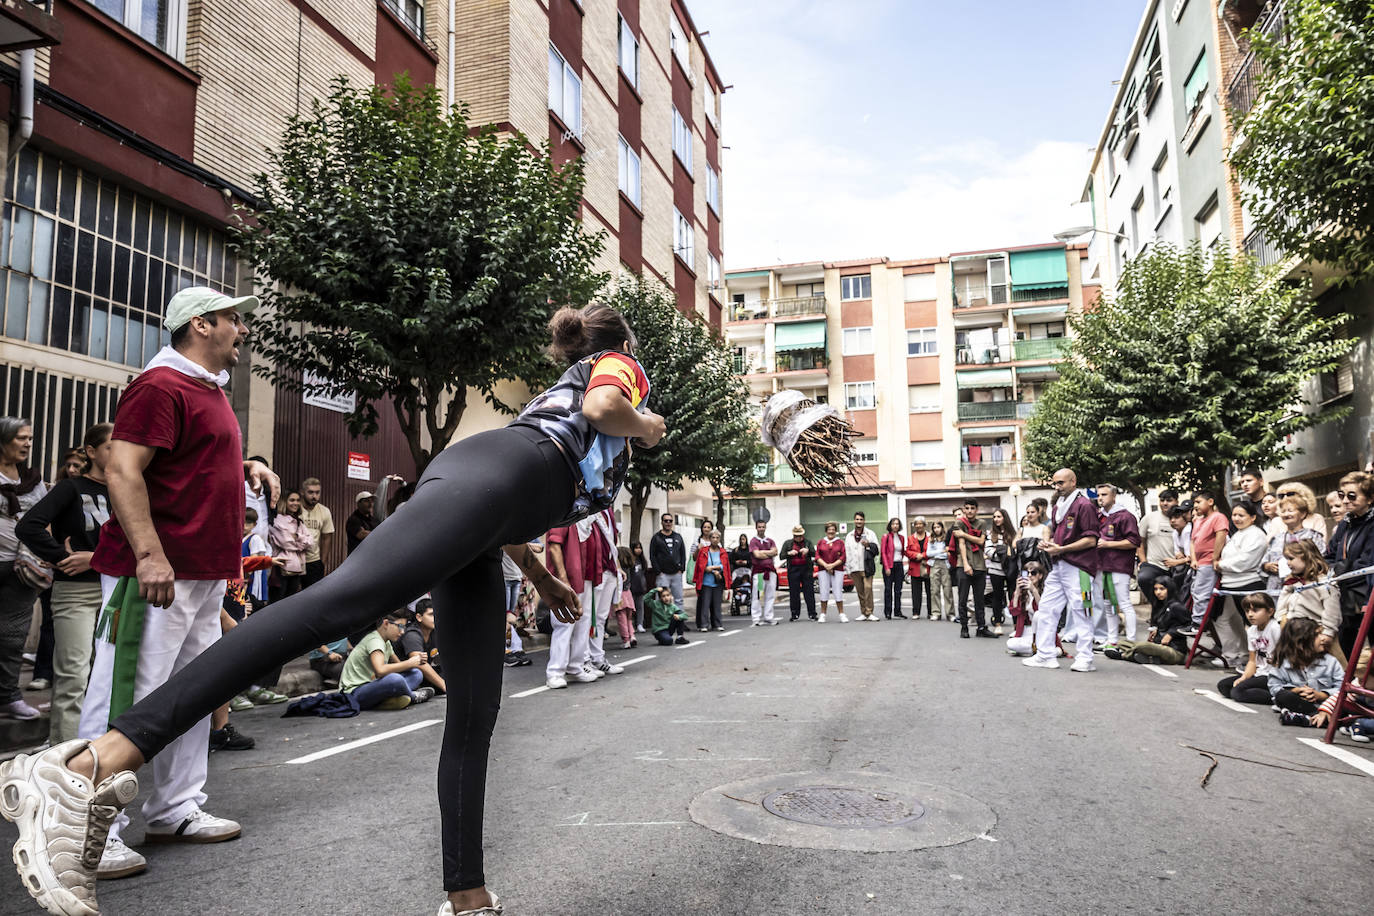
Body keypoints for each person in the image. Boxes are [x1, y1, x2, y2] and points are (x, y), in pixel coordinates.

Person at [0, 300, 659, 916]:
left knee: (474, 712)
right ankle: (88, 765)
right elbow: (602, 408)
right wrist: (647, 425)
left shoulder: (563, 399)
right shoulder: (620, 370)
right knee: (337, 605)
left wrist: (541, 579)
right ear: (625, 345)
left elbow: (510, 500)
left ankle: (468, 899)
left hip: (491, 512)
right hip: (495, 479)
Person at [15, 423, 112, 742]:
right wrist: (60, 555)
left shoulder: (127, 488)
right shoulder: (71, 488)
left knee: (107, 675)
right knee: (73, 675)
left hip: (117, 592)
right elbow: (28, 527)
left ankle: (100, 748)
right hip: (76, 593)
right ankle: (63, 753)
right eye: (111, 446)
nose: (119, 452)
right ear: (92, 452)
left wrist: (95, 558)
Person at [1024, 468, 1100, 672]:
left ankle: (1085, 658)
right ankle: (1045, 654)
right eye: (1055, 483)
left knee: (1082, 611)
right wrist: (1048, 544)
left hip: (1080, 567)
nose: (1057, 487)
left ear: (1073, 482)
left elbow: (1092, 539)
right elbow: (1057, 533)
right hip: (1058, 565)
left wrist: (1062, 548)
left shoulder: (1085, 505)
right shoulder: (1058, 506)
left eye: (1061, 483)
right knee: (1047, 609)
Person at [0, 417, 46, 722]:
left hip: (21, 569)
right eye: (21, 438)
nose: (27, 444)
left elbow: (45, 516)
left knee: (13, 636)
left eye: (29, 438)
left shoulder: (32, 480)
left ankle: (8, 696)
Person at [546, 507, 623, 687]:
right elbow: (554, 546)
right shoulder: (565, 513)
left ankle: (576, 666)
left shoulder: (588, 517)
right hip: (569, 579)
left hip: (586, 578)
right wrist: (563, 580)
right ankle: (555, 672)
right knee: (564, 624)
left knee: (584, 623)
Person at [1211, 500, 1270, 669]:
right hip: (1229, 584)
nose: (1236, 518)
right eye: (1234, 515)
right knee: (1223, 618)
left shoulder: (1256, 535)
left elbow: (1246, 561)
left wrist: (1221, 564)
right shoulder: (1238, 534)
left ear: (1252, 517)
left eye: (1241, 515)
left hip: (1247, 584)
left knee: (1253, 623)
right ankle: (1235, 654)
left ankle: (1259, 661)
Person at [1323, 471, 1374, 660]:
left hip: (1367, 593)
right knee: (1347, 645)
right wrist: (1331, 568)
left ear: (1370, 498)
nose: (1345, 501)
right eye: (1342, 495)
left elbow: (1367, 562)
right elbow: (1329, 554)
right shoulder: (1346, 522)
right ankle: (1351, 686)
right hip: (1344, 594)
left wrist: (1337, 569)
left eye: (1352, 496)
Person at [340, 612, 435, 710]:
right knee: (395, 679)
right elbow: (380, 671)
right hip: (355, 693)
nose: (402, 632)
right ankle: (413, 697)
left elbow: (399, 666)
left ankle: (384, 701)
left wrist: (416, 661)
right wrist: (410, 662)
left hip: (374, 686)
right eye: (400, 626)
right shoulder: (375, 641)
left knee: (416, 673)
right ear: (386, 623)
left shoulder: (386, 642)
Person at [1277, 540, 1346, 667]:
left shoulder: (1324, 583)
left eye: (1291, 558)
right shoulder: (1292, 582)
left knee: (1329, 666)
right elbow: (1282, 602)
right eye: (1286, 559)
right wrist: (1281, 619)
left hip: (1317, 633)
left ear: (1307, 557)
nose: (1288, 563)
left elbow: (1332, 610)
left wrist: (1328, 632)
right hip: (1294, 632)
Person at [1268, 618, 1345, 728]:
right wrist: (1296, 690)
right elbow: (1274, 687)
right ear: (1301, 643)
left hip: (1327, 705)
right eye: (1317, 635)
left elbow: (1342, 687)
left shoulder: (1331, 661)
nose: (1323, 638)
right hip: (1301, 703)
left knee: (1347, 705)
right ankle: (1320, 719)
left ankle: (1308, 718)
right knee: (1282, 696)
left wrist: (1321, 695)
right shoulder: (1283, 662)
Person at [1102, 577, 1192, 665]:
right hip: (1158, 646)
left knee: (1143, 646)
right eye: (1156, 589)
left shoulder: (1176, 607)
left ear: (1169, 589)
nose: (1158, 592)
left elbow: (1189, 625)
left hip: (1174, 651)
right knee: (1121, 642)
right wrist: (1156, 629)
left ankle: (1124, 655)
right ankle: (1142, 657)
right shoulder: (1160, 606)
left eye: (1162, 589)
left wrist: (1171, 634)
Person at [1093, 484, 1141, 650]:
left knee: (1124, 603)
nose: (1100, 498)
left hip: (1119, 566)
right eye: (1099, 495)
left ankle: (1131, 641)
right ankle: (1112, 640)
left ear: (1114, 496)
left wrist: (1109, 544)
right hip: (1102, 566)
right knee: (1108, 604)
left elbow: (1134, 542)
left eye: (1104, 494)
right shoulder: (1099, 516)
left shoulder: (1125, 516)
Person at [1216, 593, 1282, 704]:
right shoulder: (1252, 631)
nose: (1250, 615)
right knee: (1224, 686)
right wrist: (1244, 677)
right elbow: (1252, 661)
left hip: (1274, 676)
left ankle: (1277, 696)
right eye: (1247, 611)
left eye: (1255, 611)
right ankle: (1267, 691)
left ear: (1270, 612)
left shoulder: (1275, 628)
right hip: (1260, 674)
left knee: (1237, 692)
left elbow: (1285, 657)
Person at [1184, 491, 1229, 634]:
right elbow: (1192, 541)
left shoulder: (1218, 517)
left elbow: (1220, 537)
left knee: (1202, 593)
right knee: (1195, 591)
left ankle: (1198, 624)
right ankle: (1195, 620)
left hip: (1209, 562)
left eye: (1198, 502)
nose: (1195, 505)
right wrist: (1194, 559)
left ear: (1210, 502)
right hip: (1198, 562)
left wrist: (1215, 558)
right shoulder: (1198, 520)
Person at [952, 499, 992, 639]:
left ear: (977, 510)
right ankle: (964, 627)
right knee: (962, 599)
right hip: (964, 565)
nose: (969, 511)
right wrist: (966, 564)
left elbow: (981, 541)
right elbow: (961, 544)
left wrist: (964, 534)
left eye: (972, 508)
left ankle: (981, 627)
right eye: (967, 508)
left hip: (980, 565)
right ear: (964, 509)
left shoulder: (981, 523)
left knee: (979, 599)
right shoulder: (959, 523)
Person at [1137, 489, 1179, 616]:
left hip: (1176, 566)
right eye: (1162, 500)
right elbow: (1140, 541)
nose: (1165, 503)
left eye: (1169, 500)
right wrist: (1143, 561)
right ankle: (1159, 609)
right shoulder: (1149, 518)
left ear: (1177, 501)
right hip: (1154, 564)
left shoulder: (1182, 518)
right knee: (1144, 578)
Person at [269, 490, 313, 602]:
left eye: (298, 500)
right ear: (284, 502)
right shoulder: (277, 520)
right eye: (292, 500)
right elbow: (285, 542)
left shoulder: (299, 522)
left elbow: (310, 541)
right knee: (277, 601)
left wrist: (296, 537)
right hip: (281, 567)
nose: (295, 503)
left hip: (297, 568)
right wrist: (301, 540)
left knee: (290, 601)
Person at [397, 599, 447, 693]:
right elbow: (420, 663)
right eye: (431, 614)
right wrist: (444, 685)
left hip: (429, 675)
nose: (435, 617)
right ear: (419, 617)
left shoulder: (434, 631)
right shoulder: (412, 634)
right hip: (409, 677)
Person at [984, 509, 1017, 636]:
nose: (996, 519)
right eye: (994, 517)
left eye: (999, 516)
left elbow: (1015, 550)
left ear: (1005, 518)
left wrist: (1002, 552)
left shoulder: (1013, 533)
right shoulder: (990, 533)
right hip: (995, 569)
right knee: (997, 596)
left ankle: (1016, 625)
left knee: (1013, 596)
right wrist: (1000, 554)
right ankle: (997, 624)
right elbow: (987, 550)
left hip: (1011, 569)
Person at [298, 477, 335, 588]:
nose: (314, 496)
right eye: (310, 492)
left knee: (311, 595)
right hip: (294, 559)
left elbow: (326, 537)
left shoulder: (324, 511)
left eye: (317, 492)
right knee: (289, 596)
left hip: (313, 561)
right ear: (302, 492)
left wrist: (322, 563)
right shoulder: (294, 507)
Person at [845, 512, 880, 621]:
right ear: (854, 521)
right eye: (857, 519)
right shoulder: (849, 535)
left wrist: (868, 545)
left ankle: (870, 612)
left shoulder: (870, 534)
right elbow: (847, 552)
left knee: (868, 588)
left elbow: (877, 549)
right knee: (860, 591)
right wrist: (848, 569)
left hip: (866, 566)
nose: (859, 521)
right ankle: (863, 612)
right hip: (854, 567)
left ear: (864, 521)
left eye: (861, 519)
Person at [693, 530, 727, 630]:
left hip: (718, 581)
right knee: (705, 604)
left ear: (719, 539)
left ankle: (717, 624)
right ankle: (703, 625)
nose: (715, 540)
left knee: (717, 604)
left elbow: (724, 565)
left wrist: (714, 569)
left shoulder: (723, 551)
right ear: (710, 538)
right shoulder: (704, 551)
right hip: (706, 582)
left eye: (717, 538)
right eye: (713, 537)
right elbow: (701, 565)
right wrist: (713, 570)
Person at [649, 513, 686, 605]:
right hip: (663, 575)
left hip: (676, 573)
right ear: (662, 522)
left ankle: (678, 619)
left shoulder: (678, 536)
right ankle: (662, 619)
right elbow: (652, 555)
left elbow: (683, 553)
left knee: (679, 599)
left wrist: (681, 568)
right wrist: (658, 571)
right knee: (661, 600)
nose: (668, 523)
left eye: (670, 521)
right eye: (666, 521)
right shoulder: (656, 538)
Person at [815, 521, 848, 624]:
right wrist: (826, 565)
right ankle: (823, 614)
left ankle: (842, 614)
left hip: (837, 569)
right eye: (829, 530)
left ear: (836, 531)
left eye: (833, 530)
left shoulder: (840, 542)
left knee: (838, 591)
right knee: (824, 591)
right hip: (823, 570)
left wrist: (832, 565)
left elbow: (843, 556)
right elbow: (817, 556)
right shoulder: (821, 542)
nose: (831, 532)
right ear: (826, 531)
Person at [749, 519, 779, 626]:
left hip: (770, 571)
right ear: (756, 528)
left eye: (763, 527)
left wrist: (763, 552)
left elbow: (775, 552)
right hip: (760, 573)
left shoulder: (770, 540)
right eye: (759, 527)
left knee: (770, 595)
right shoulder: (753, 541)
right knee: (758, 595)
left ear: (765, 527)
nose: (761, 529)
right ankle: (756, 618)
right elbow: (757, 555)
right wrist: (768, 553)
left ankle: (768, 616)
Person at [784, 525, 816, 622]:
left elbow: (815, 553)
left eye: (800, 535)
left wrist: (808, 551)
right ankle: (795, 614)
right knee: (794, 593)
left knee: (809, 592)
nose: (798, 538)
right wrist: (789, 553)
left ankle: (812, 614)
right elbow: (781, 555)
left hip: (806, 569)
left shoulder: (808, 542)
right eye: (796, 536)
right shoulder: (788, 543)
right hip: (793, 570)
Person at [904, 517, 931, 622]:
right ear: (914, 526)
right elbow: (906, 551)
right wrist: (916, 555)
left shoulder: (930, 536)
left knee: (930, 591)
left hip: (928, 567)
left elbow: (933, 549)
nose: (919, 525)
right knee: (916, 592)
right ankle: (916, 612)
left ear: (924, 525)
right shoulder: (910, 538)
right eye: (916, 524)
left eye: (921, 523)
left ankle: (930, 612)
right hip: (915, 568)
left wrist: (923, 555)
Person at [879, 517, 907, 620]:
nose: (895, 526)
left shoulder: (902, 538)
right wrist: (887, 567)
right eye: (893, 524)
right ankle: (888, 612)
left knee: (898, 590)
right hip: (889, 565)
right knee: (888, 590)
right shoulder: (885, 537)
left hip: (899, 565)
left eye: (897, 524)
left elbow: (902, 551)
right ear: (890, 525)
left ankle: (898, 611)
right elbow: (883, 553)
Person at [926, 520, 953, 621]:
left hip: (945, 564)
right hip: (934, 564)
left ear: (942, 527)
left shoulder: (947, 538)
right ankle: (936, 612)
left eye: (938, 527)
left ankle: (950, 613)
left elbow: (948, 553)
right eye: (935, 527)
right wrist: (940, 551)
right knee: (934, 590)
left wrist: (938, 553)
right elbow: (928, 553)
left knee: (947, 589)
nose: (937, 529)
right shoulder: (931, 539)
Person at [627, 541, 651, 631]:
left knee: (640, 606)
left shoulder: (642, 560)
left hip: (640, 587)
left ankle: (640, 624)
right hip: (632, 587)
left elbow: (643, 573)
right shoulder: (629, 561)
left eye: (640, 548)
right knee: (631, 608)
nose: (638, 550)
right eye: (636, 548)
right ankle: (631, 624)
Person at [345, 491, 376, 555]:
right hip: (357, 559)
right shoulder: (353, 520)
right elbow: (362, 535)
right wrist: (380, 533)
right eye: (367, 501)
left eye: (372, 501)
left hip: (371, 557)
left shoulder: (374, 520)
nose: (370, 504)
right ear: (359, 503)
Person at [729, 533, 753, 617]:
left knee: (749, 579)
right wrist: (736, 562)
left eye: (744, 539)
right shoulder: (735, 550)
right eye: (741, 539)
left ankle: (748, 597)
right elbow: (731, 560)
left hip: (747, 570)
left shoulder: (750, 550)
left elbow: (753, 559)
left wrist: (747, 562)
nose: (742, 541)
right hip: (737, 570)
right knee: (735, 579)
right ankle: (737, 595)